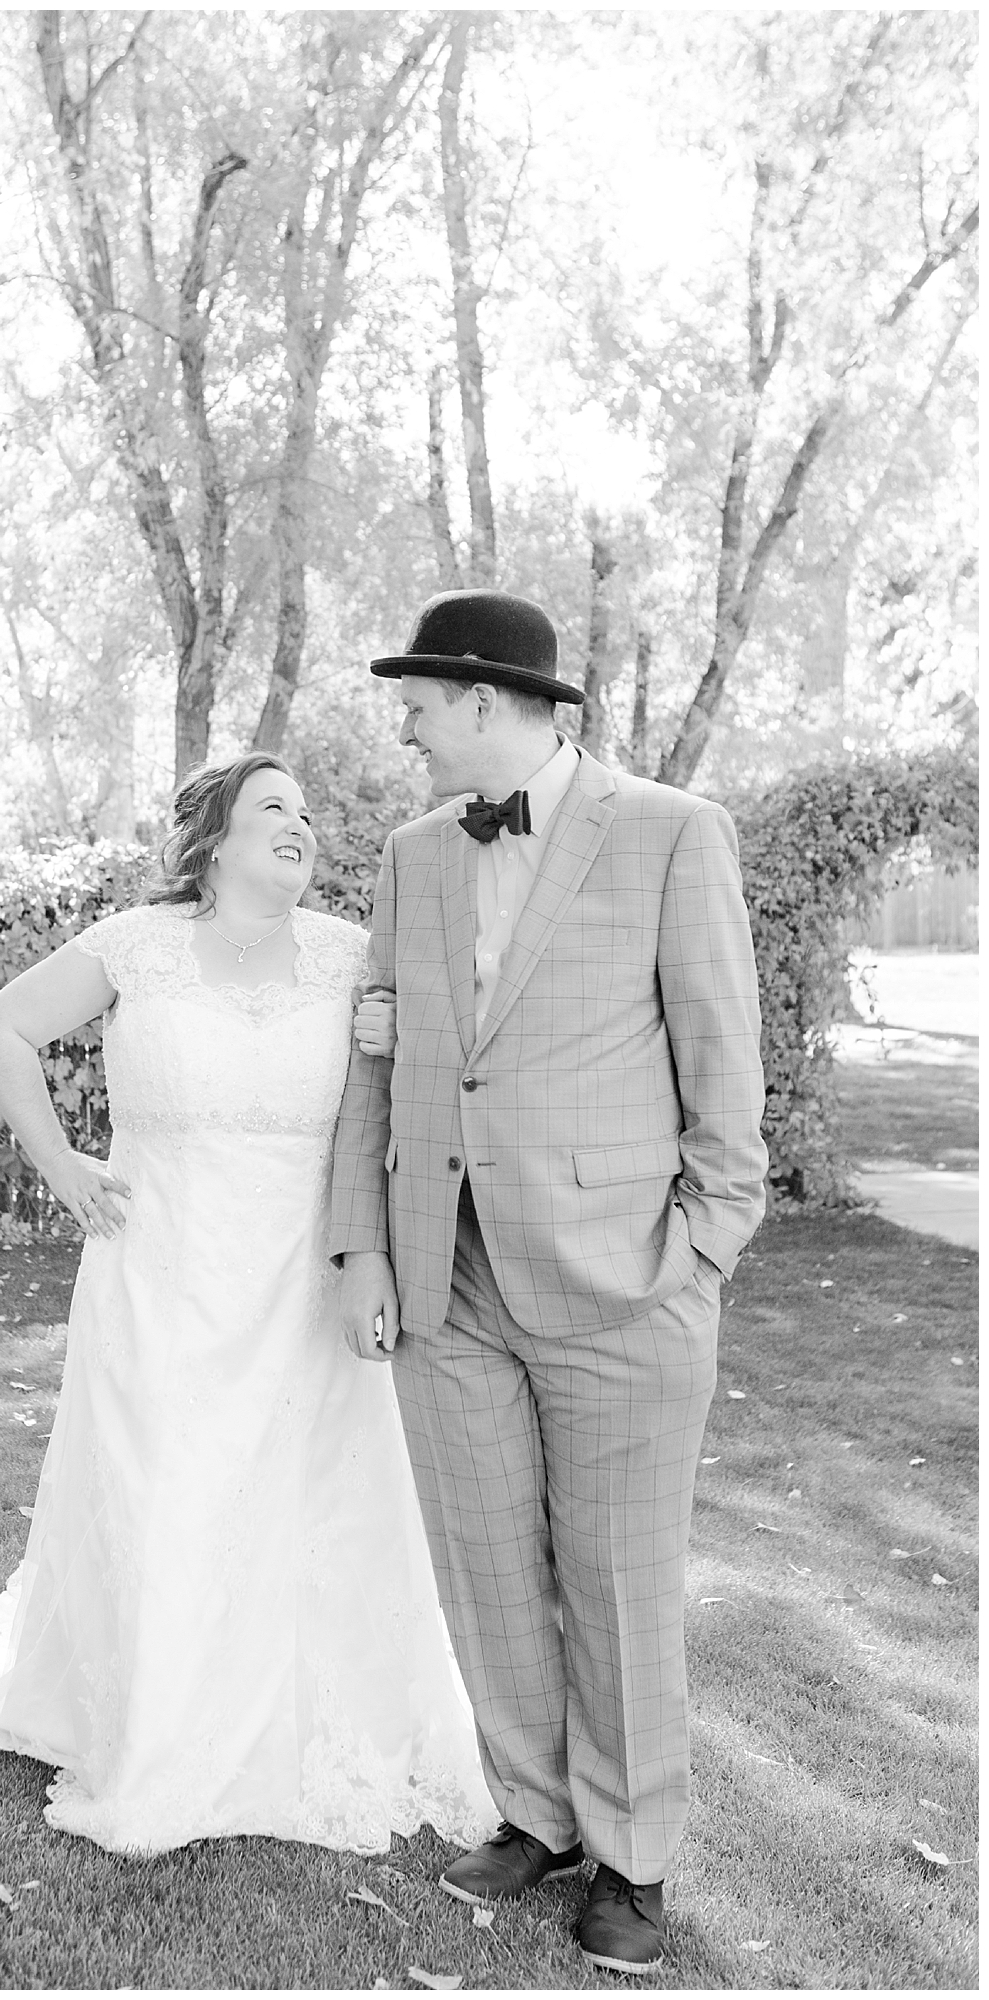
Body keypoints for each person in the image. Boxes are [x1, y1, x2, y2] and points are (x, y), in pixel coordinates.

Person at [0, 751, 495, 1858]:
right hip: (162, 1278)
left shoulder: (350, 958)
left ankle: (317, 1718)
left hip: (303, 1280)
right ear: (214, 838)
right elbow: (3, 1028)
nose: (300, 825)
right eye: (273, 807)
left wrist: (398, 1040)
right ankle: (162, 1730)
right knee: (169, 1492)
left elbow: (422, 1082)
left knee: (306, 1498)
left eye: (309, 811)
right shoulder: (134, 946)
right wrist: (61, 1165)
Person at [331, 588, 768, 1975]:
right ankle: (534, 1812)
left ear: (479, 705)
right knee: (485, 1571)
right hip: (442, 1281)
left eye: (417, 710)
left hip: (621, 1290)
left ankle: (633, 1860)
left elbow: (723, 1077)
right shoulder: (411, 855)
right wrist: (361, 1246)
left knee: (620, 1579)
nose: (406, 734)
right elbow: (382, 1062)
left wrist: (695, 1259)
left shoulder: (669, 834)